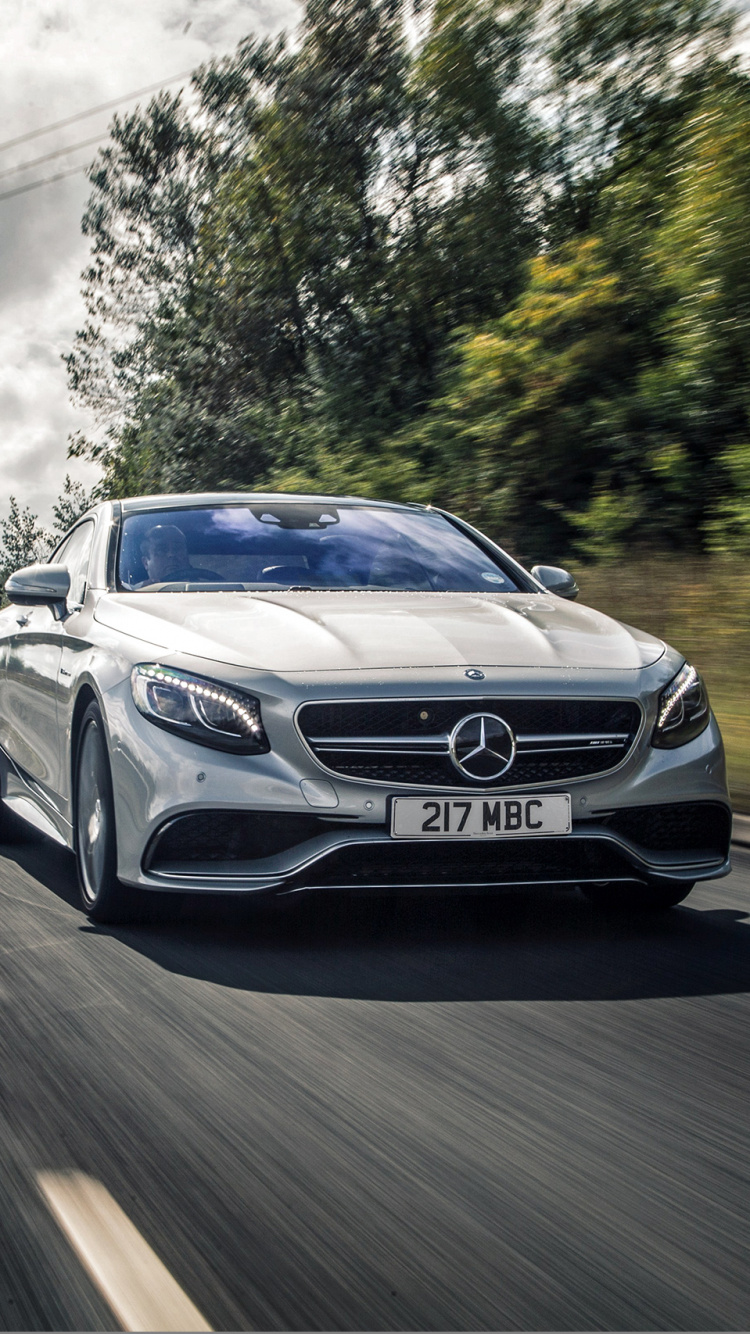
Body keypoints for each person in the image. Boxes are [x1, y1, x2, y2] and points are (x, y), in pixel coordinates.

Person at [139, 525, 222, 586]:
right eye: (161, 551)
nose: (171, 554)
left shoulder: (210, 589)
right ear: (146, 563)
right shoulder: (132, 594)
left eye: (177, 549)